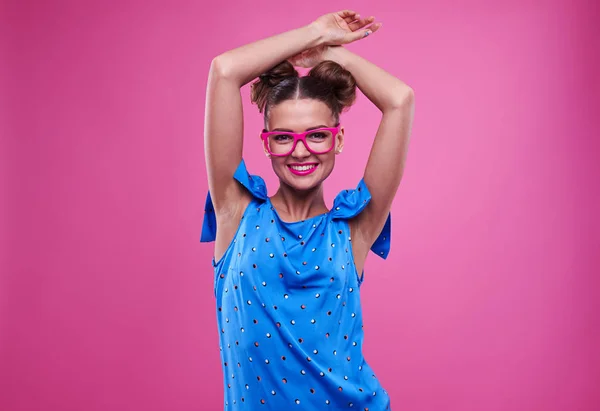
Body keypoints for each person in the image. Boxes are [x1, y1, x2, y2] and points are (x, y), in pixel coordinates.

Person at [200, 9, 414, 410]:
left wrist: (330, 56)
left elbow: (400, 101)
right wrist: (312, 33)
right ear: (266, 143)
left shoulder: (355, 229)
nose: (300, 150)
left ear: (338, 140)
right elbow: (224, 71)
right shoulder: (235, 211)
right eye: (284, 137)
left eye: (317, 135)